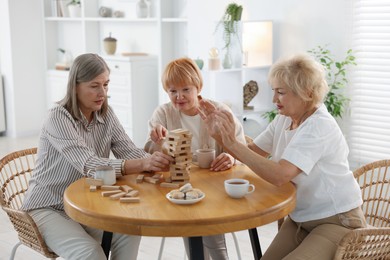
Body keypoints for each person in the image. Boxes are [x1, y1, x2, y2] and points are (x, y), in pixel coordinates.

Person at [198, 53, 367, 260]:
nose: (273, 99)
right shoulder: (284, 119)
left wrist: (232, 142)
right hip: (300, 218)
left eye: (281, 92)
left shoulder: (318, 126)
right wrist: (221, 135)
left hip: (337, 220)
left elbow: (280, 175)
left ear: (306, 93)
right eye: (273, 91)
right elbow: (251, 152)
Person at [21, 53, 173, 260]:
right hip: (47, 207)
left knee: (130, 231)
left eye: (106, 85)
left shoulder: (106, 114)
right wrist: (143, 162)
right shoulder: (57, 117)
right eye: (94, 86)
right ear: (75, 86)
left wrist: (157, 158)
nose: (102, 93)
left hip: (84, 205)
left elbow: (128, 150)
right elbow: (89, 164)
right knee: (90, 253)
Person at [144, 57, 246, 259]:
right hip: (180, 189)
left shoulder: (219, 111)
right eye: (173, 91)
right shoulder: (163, 114)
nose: (179, 96)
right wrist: (157, 141)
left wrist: (231, 158)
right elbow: (148, 156)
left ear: (198, 87)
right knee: (193, 222)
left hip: (215, 188)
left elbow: (242, 148)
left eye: (186, 90)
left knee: (207, 223)